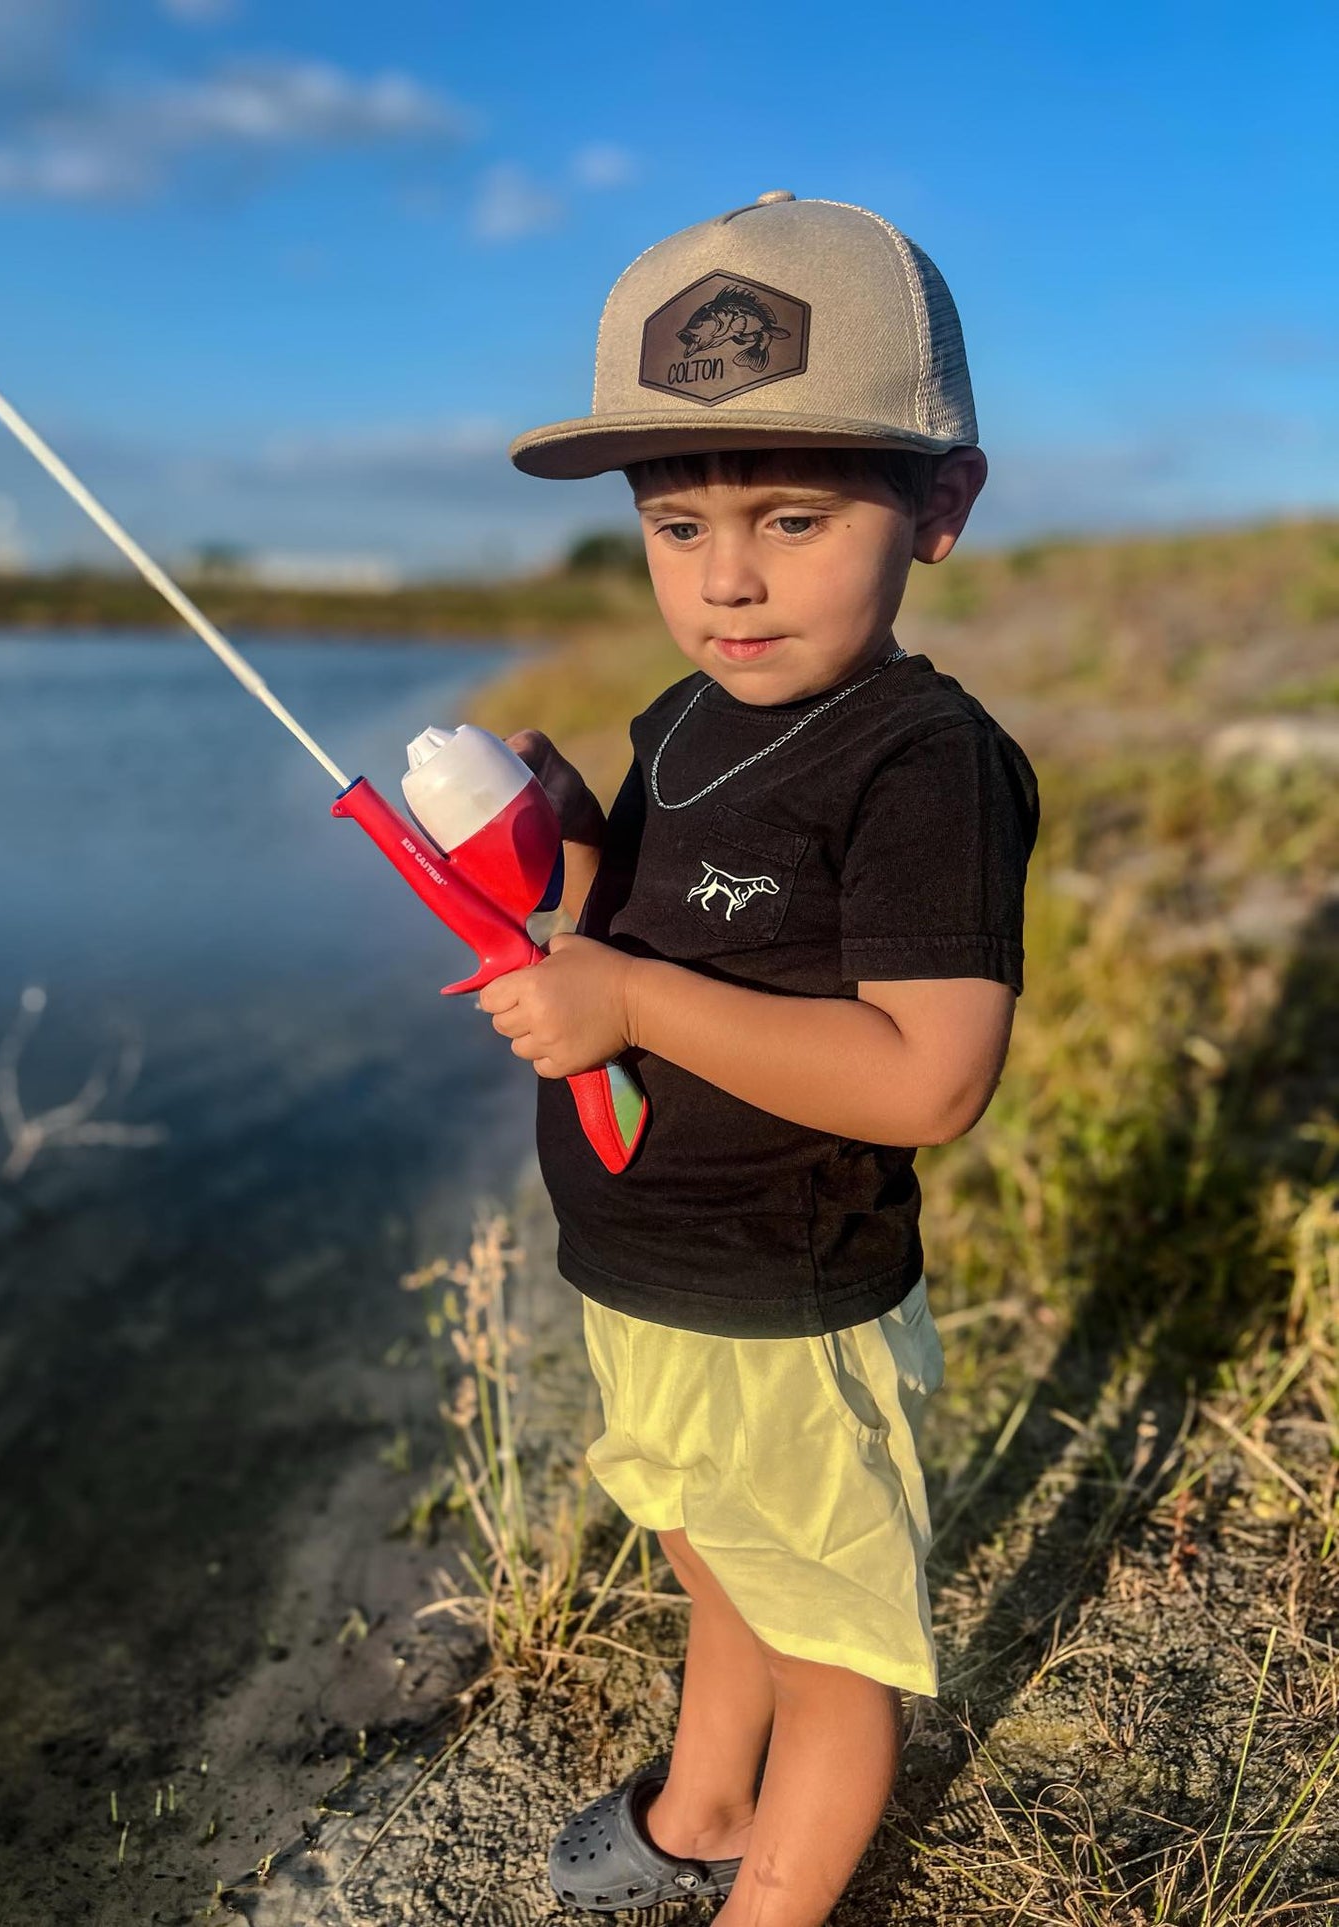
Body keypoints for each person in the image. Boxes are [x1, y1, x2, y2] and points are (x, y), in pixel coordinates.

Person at [478, 192, 1040, 1926]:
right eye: (674, 526)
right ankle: (705, 1793)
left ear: (936, 508)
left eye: (792, 518)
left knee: (829, 1646)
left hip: (786, 1293)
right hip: (647, 1258)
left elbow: (923, 1078)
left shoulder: (924, 766)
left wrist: (629, 1009)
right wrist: (570, 848)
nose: (724, 578)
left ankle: (772, 1896)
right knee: (700, 1536)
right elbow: (667, 915)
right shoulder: (686, 711)